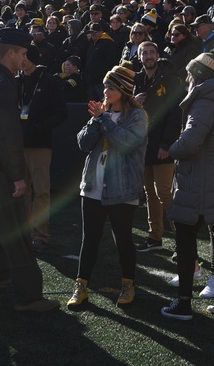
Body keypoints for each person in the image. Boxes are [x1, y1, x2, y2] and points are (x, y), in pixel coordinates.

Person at [0, 29, 59, 313]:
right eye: (23, 53)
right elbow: (7, 135)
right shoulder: (2, 83)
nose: (25, 59)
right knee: (18, 238)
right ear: (11, 52)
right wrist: (18, 176)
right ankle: (28, 297)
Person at [161, 52, 214, 320]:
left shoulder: (203, 104)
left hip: (201, 183)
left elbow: (190, 143)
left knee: (185, 240)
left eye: (189, 74)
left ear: (198, 76)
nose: (186, 79)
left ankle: (184, 303)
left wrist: (170, 149)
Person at [67, 63, 148, 309]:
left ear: (123, 90)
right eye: (105, 86)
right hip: (92, 184)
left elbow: (126, 143)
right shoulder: (101, 113)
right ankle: (81, 285)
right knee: (89, 238)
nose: (106, 92)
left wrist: (104, 119)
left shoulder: (137, 115)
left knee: (123, 238)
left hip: (122, 187)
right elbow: (82, 144)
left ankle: (128, 284)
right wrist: (95, 121)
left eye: (111, 87)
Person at [133, 40, 183, 253]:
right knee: (149, 193)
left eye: (152, 52)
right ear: (140, 57)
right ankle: (155, 237)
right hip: (143, 145)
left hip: (162, 145)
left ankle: (183, 238)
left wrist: (166, 144)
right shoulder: (137, 80)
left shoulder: (170, 80)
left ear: (158, 54)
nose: (148, 56)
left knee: (164, 192)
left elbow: (175, 115)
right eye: (144, 53)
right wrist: (134, 102)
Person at [19, 45, 68, 253]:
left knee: (41, 191)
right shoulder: (16, 80)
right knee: (21, 191)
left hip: (39, 144)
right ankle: (24, 233)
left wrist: (40, 127)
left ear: (30, 58)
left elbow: (61, 112)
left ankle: (41, 235)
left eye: (23, 56)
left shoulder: (48, 81)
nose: (20, 60)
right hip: (18, 144)